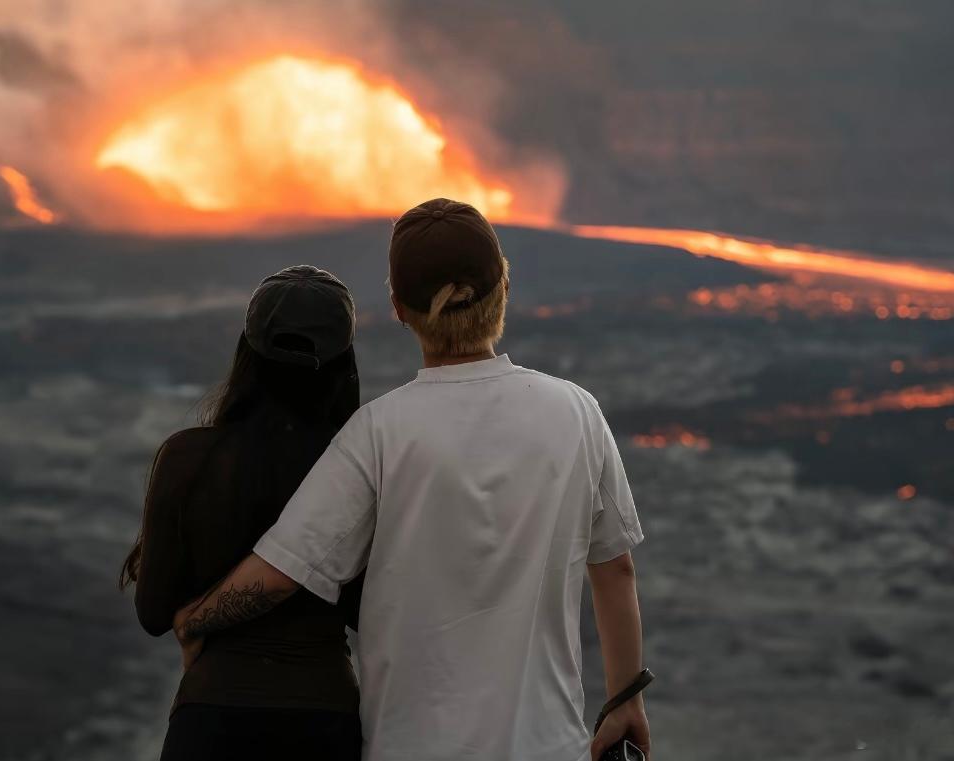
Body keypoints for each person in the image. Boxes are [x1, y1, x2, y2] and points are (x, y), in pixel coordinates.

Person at [174, 198, 651, 761]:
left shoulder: (377, 432)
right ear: (503, 287)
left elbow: (281, 572)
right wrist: (625, 700)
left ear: (400, 309)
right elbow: (615, 567)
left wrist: (193, 619)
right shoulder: (576, 412)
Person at [119, 265, 366, 761]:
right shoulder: (359, 468)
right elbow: (368, 609)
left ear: (246, 356)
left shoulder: (188, 457)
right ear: (343, 363)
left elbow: (152, 613)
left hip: (212, 718)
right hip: (324, 719)